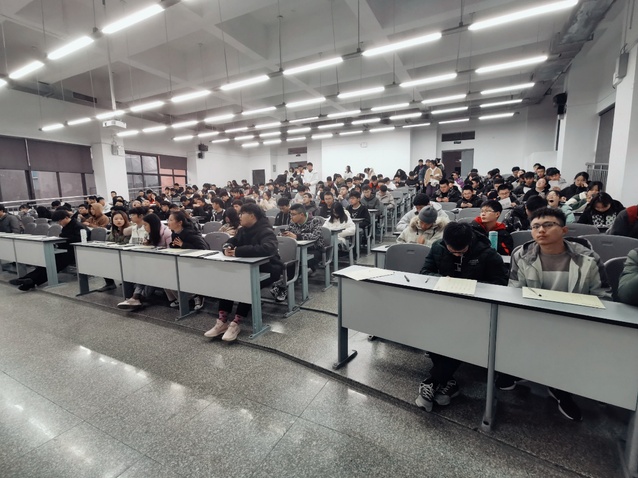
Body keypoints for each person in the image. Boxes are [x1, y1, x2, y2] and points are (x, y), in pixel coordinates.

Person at [504, 208, 608, 421]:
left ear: (564, 230)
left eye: (548, 225)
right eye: (535, 227)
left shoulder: (587, 258)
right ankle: (518, 370)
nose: (541, 230)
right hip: (534, 317)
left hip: (575, 321)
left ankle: (561, 387)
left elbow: (603, 297)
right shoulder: (522, 255)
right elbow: (514, 291)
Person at [416, 222, 507, 412]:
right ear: (445, 243)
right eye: (453, 251)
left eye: (461, 251)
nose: (457, 255)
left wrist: (472, 285)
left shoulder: (487, 253)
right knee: (431, 329)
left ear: (470, 242)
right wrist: (442, 279)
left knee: (460, 335)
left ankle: (433, 381)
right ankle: (449, 383)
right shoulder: (438, 247)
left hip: (475, 308)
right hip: (444, 304)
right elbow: (424, 272)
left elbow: (500, 283)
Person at [204, 204, 284, 341]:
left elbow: (268, 248)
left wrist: (239, 251)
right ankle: (222, 321)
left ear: (252, 216)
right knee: (227, 283)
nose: (239, 217)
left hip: (269, 268)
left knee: (246, 285)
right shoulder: (243, 230)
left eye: (242, 214)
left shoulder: (266, 230)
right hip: (246, 267)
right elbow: (232, 240)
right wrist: (227, 246)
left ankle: (236, 323)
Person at [9, 210, 90, 291]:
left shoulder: (78, 226)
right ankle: (28, 280)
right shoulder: (68, 225)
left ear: (66, 218)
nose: (59, 223)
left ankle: (31, 281)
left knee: (54, 264)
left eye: (60, 221)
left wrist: (64, 238)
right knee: (47, 262)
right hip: (65, 250)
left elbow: (79, 239)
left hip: (74, 251)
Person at [117, 213, 172, 310]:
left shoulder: (167, 233)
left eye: (146, 225)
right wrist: (149, 243)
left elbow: (171, 250)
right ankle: (137, 297)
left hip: (167, 263)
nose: (144, 227)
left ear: (153, 224)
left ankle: (137, 297)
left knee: (151, 274)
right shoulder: (153, 232)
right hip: (156, 261)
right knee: (143, 271)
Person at [165, 210, 208, 310]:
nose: (168, 222)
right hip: (182, 261)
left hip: (196, 263)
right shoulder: (174, 233)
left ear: (179, 223)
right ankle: (182, 298)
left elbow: (203, 248)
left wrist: (183, 245)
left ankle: (197, 296)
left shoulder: (190, 233)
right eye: (168, 220)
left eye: (171, 220)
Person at [283, 204, 325, 272]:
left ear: (301, 215)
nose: (291, 217)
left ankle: (307, 271)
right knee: (287, 259)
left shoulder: (315, 221)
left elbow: (315, 236)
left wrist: (297, 236)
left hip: (314, 250)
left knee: (297, 262)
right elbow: (287, 231)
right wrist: (284, 234)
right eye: (290, 214)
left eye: (293, 214)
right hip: (298, 249)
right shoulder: (292, 223)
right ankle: (292, 277)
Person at [98, 210, 131, 293]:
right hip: (115, 252)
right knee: (103, 262)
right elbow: (108, 240)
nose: (118, 221)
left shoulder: (129, 229)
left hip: (127, 254)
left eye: (121, 219)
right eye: (116, 219)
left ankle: (129, 283)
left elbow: (127, 242)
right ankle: (110, 283)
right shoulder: (113, 229)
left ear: (125, 219)